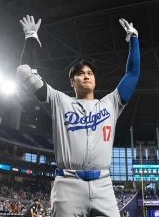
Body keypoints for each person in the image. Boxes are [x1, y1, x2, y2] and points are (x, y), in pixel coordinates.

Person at [17, 15, 140, 217]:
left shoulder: (111, 103)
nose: (86, 75)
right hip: (68, 184)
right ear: (72, 82)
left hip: (103, 184)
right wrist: (31, 37)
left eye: (90, 73)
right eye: (80, 73)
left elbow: (133, 74)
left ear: (95, 80)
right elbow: (24, 72)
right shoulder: (59, 101)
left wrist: (134, 39)